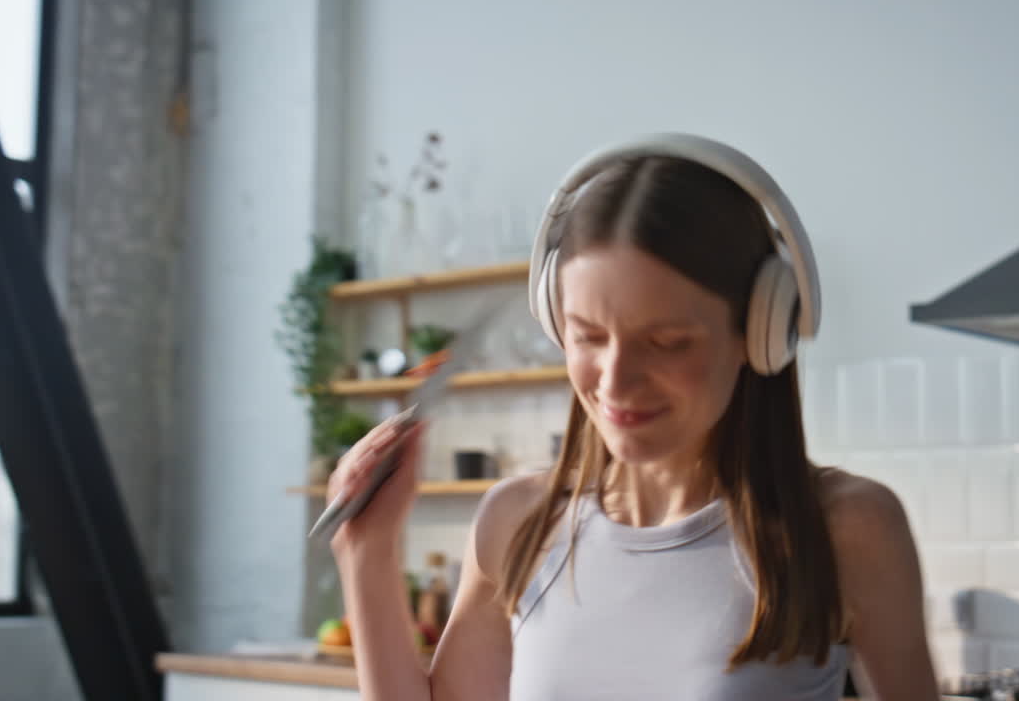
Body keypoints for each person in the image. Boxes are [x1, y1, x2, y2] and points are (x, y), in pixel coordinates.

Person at [326, 133, 938, 700]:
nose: (615, 381)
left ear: (760, 333)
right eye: (588, 336)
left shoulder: (848, 527)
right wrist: (367, 552)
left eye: (668, 342)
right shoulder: (517, 523)